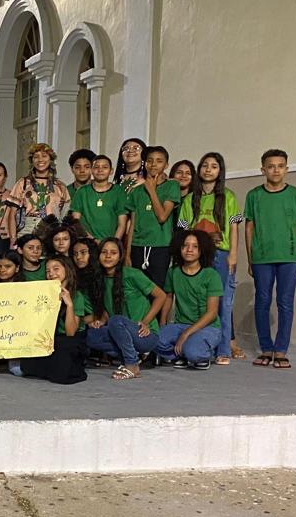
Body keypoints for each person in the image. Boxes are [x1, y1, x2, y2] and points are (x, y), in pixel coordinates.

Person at [244, 148, 296, 369]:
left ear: (287, 169)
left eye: (280, 166)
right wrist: (250, 258)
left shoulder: (295, 195)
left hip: (289, 257)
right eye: (271, 166)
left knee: (285, 303)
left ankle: (281, 350)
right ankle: (266, 348)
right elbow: (249, 227)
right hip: (262, 257)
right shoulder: (254, 195)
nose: (276, 170)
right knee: (262, 301)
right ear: (263, 169)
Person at [177, 151, 241, 364]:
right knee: (201, 302)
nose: (208, 169)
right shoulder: (190, 199)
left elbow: (233, 227)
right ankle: (203, 344)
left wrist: (233, 254)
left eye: (213, 166)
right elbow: (183, 229)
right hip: (197, 256)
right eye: (205, 165)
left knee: (223, 302)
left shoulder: (228, 196)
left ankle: (223, 349)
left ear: (220, 171)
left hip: (221, 254)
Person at [84, 238, 167, 380]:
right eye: (104, 252)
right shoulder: (99, 280)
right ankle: (133, 355)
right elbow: (106, 310)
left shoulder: (132, 274)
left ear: (120, 256)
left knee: (116, 321)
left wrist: (146, 322)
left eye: (113, 252)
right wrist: (101, 320)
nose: (108, 256)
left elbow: (161, 296)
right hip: (120, 331)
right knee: (90, 336)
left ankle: (132, 365)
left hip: (144, 334)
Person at [12, 256, 88, 384]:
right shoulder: (44, 294)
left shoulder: (76, 295)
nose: (51, 273)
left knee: (61, 350)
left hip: (70, 341)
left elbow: (70, 333)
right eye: (48, 271)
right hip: (49, 338)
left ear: (67, 270)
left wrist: (69, 305)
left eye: (56, 269)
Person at [158, 230, 223, 369]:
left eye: (195, 246)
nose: (189, 250)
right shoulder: (173, 271)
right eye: (185, 246)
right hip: (181, 324)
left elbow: (212, 313)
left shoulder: (211, 275)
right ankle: (181, 354)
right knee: (154, 340)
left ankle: (202, 354)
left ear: (202, 250)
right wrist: (162, 324)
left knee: (193, 352)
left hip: (207, 327)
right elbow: (168, 297)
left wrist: (186, 334)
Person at [126, 146, 181, 285]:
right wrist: (127, 253)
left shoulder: (172, 186)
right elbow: (132, 223)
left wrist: (151, 190)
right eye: (149, 161)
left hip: (160, 246)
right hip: (138, 245)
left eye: (159, 161)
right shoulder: (136, 191)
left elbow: (162, 217)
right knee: (138, 289)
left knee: (158, 288)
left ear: (166, 164)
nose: (153, 164)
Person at [5, 144, 70, 239]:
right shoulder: (22, 183)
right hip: (27, 229)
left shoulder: (60, 185)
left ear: (50, 159)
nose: (40, 160)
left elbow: (65, 214)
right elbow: (12, 214)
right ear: (32, 160)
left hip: (51, 229)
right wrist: (13, 239)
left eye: (44, 156)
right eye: (36, 157)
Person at [71, 155, 129, 241]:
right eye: (96, 167)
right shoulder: (81, 192)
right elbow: (76, 221)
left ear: (111, 171)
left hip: (112, 243)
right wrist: (93, 240)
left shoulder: (118, 191)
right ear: (91, 170)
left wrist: (113, 243)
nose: (100, 170)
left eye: (105, 167)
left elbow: (122, 223)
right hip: (87, 242)